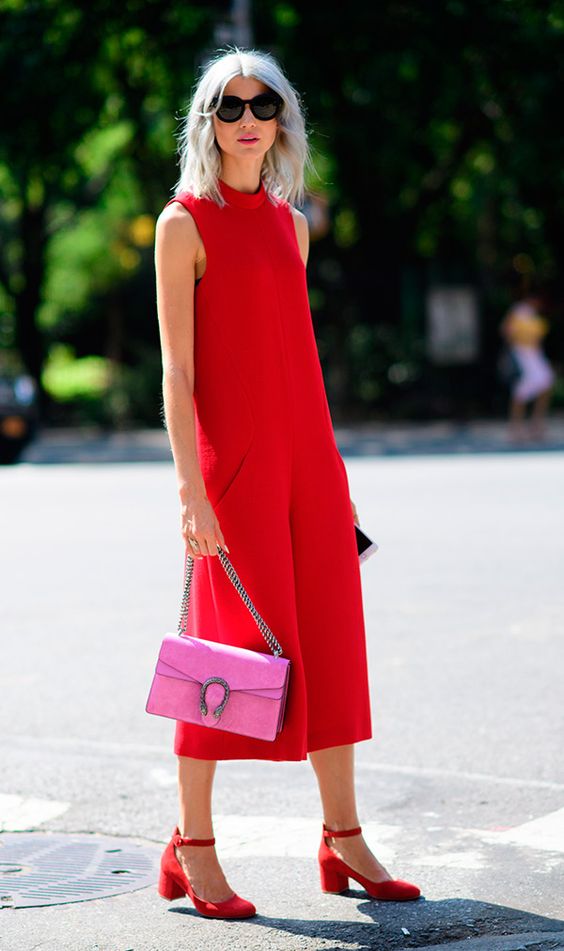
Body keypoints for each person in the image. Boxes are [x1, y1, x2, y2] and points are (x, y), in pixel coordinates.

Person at [154, 46, 421, 919]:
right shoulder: (182, 225)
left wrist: (334, 476)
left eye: (260, 104)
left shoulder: (291, 222)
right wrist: (192, 490)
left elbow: (296, 360)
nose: (245, 120)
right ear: (208, 122)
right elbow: (178, 371)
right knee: (223, 660)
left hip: (310, 465)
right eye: (227, 107)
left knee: (334, 647)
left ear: (281, 119)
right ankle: (192, 844)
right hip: (232, 475)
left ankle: (341, 836)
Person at [499, 292, 556, 443]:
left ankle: (535, 424)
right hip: (523, 356)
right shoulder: (519, 311)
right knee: (521, 392)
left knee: (545, 384)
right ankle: (517, 427)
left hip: (534, 356)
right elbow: (507, 331)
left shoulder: (533, 315)